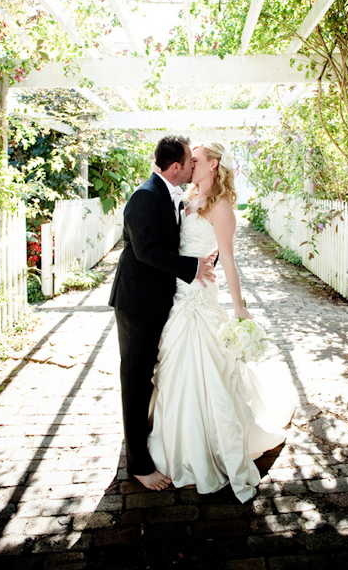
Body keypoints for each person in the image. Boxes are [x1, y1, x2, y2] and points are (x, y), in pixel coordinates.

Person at [147, 142, 289, 503]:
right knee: (172, 367)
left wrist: (238, 307)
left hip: (201, 297)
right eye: (188, 159)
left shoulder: (222, 206)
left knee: (207, 369)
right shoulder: (188, 196)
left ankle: (207, 447)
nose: (189, 163)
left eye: (195, 160)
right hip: (177, 294)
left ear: (213, 164)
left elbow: (227, 260)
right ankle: (170, 440)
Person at [108, 136, 215, 491]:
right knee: (135, 380)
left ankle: (144, 436)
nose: (192, 168)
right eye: (189, 163)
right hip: (137, 304)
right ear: (175, 168)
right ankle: (138, 464)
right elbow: (145, 251)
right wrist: (191, 267)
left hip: (157, 301)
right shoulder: (144, 196)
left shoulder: (169, 195)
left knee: (148, 377)